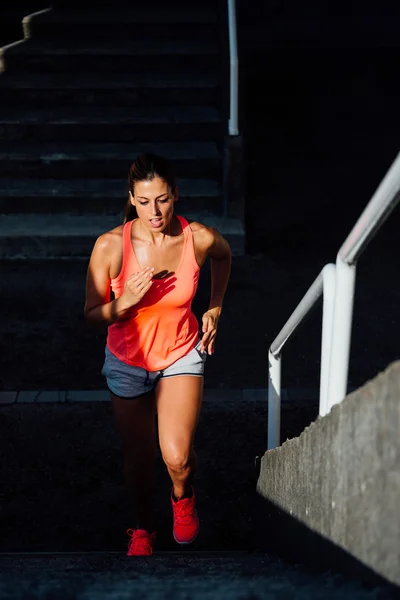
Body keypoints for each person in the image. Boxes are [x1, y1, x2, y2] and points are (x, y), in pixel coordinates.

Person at [84, 153, 231, 556]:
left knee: (177, 457)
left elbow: (223, 254)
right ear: (132, 199)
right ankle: (142, 528)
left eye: (162, 200)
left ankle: (182, 496)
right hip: (128, 363)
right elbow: (92, 316)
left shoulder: (196, 237)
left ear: (175, 196)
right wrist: (126, 302)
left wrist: (214, 305)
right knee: (139, 460)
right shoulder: (110, 246)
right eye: (145, 201)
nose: (155, 211)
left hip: (181, 353)